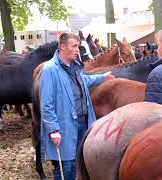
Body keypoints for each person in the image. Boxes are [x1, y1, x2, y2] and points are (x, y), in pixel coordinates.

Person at [39, 32, 114, 180]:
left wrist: (102, 77)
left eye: (78, 47)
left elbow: (83, 81)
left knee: (78, 164)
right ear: (62, 47)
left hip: (84, 122)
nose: (77, 50)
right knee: (66, 168)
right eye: (74, 46)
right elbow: (46, 104)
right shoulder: (49, 70)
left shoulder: (74, 66)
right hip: (64, 126)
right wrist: (53, 129)